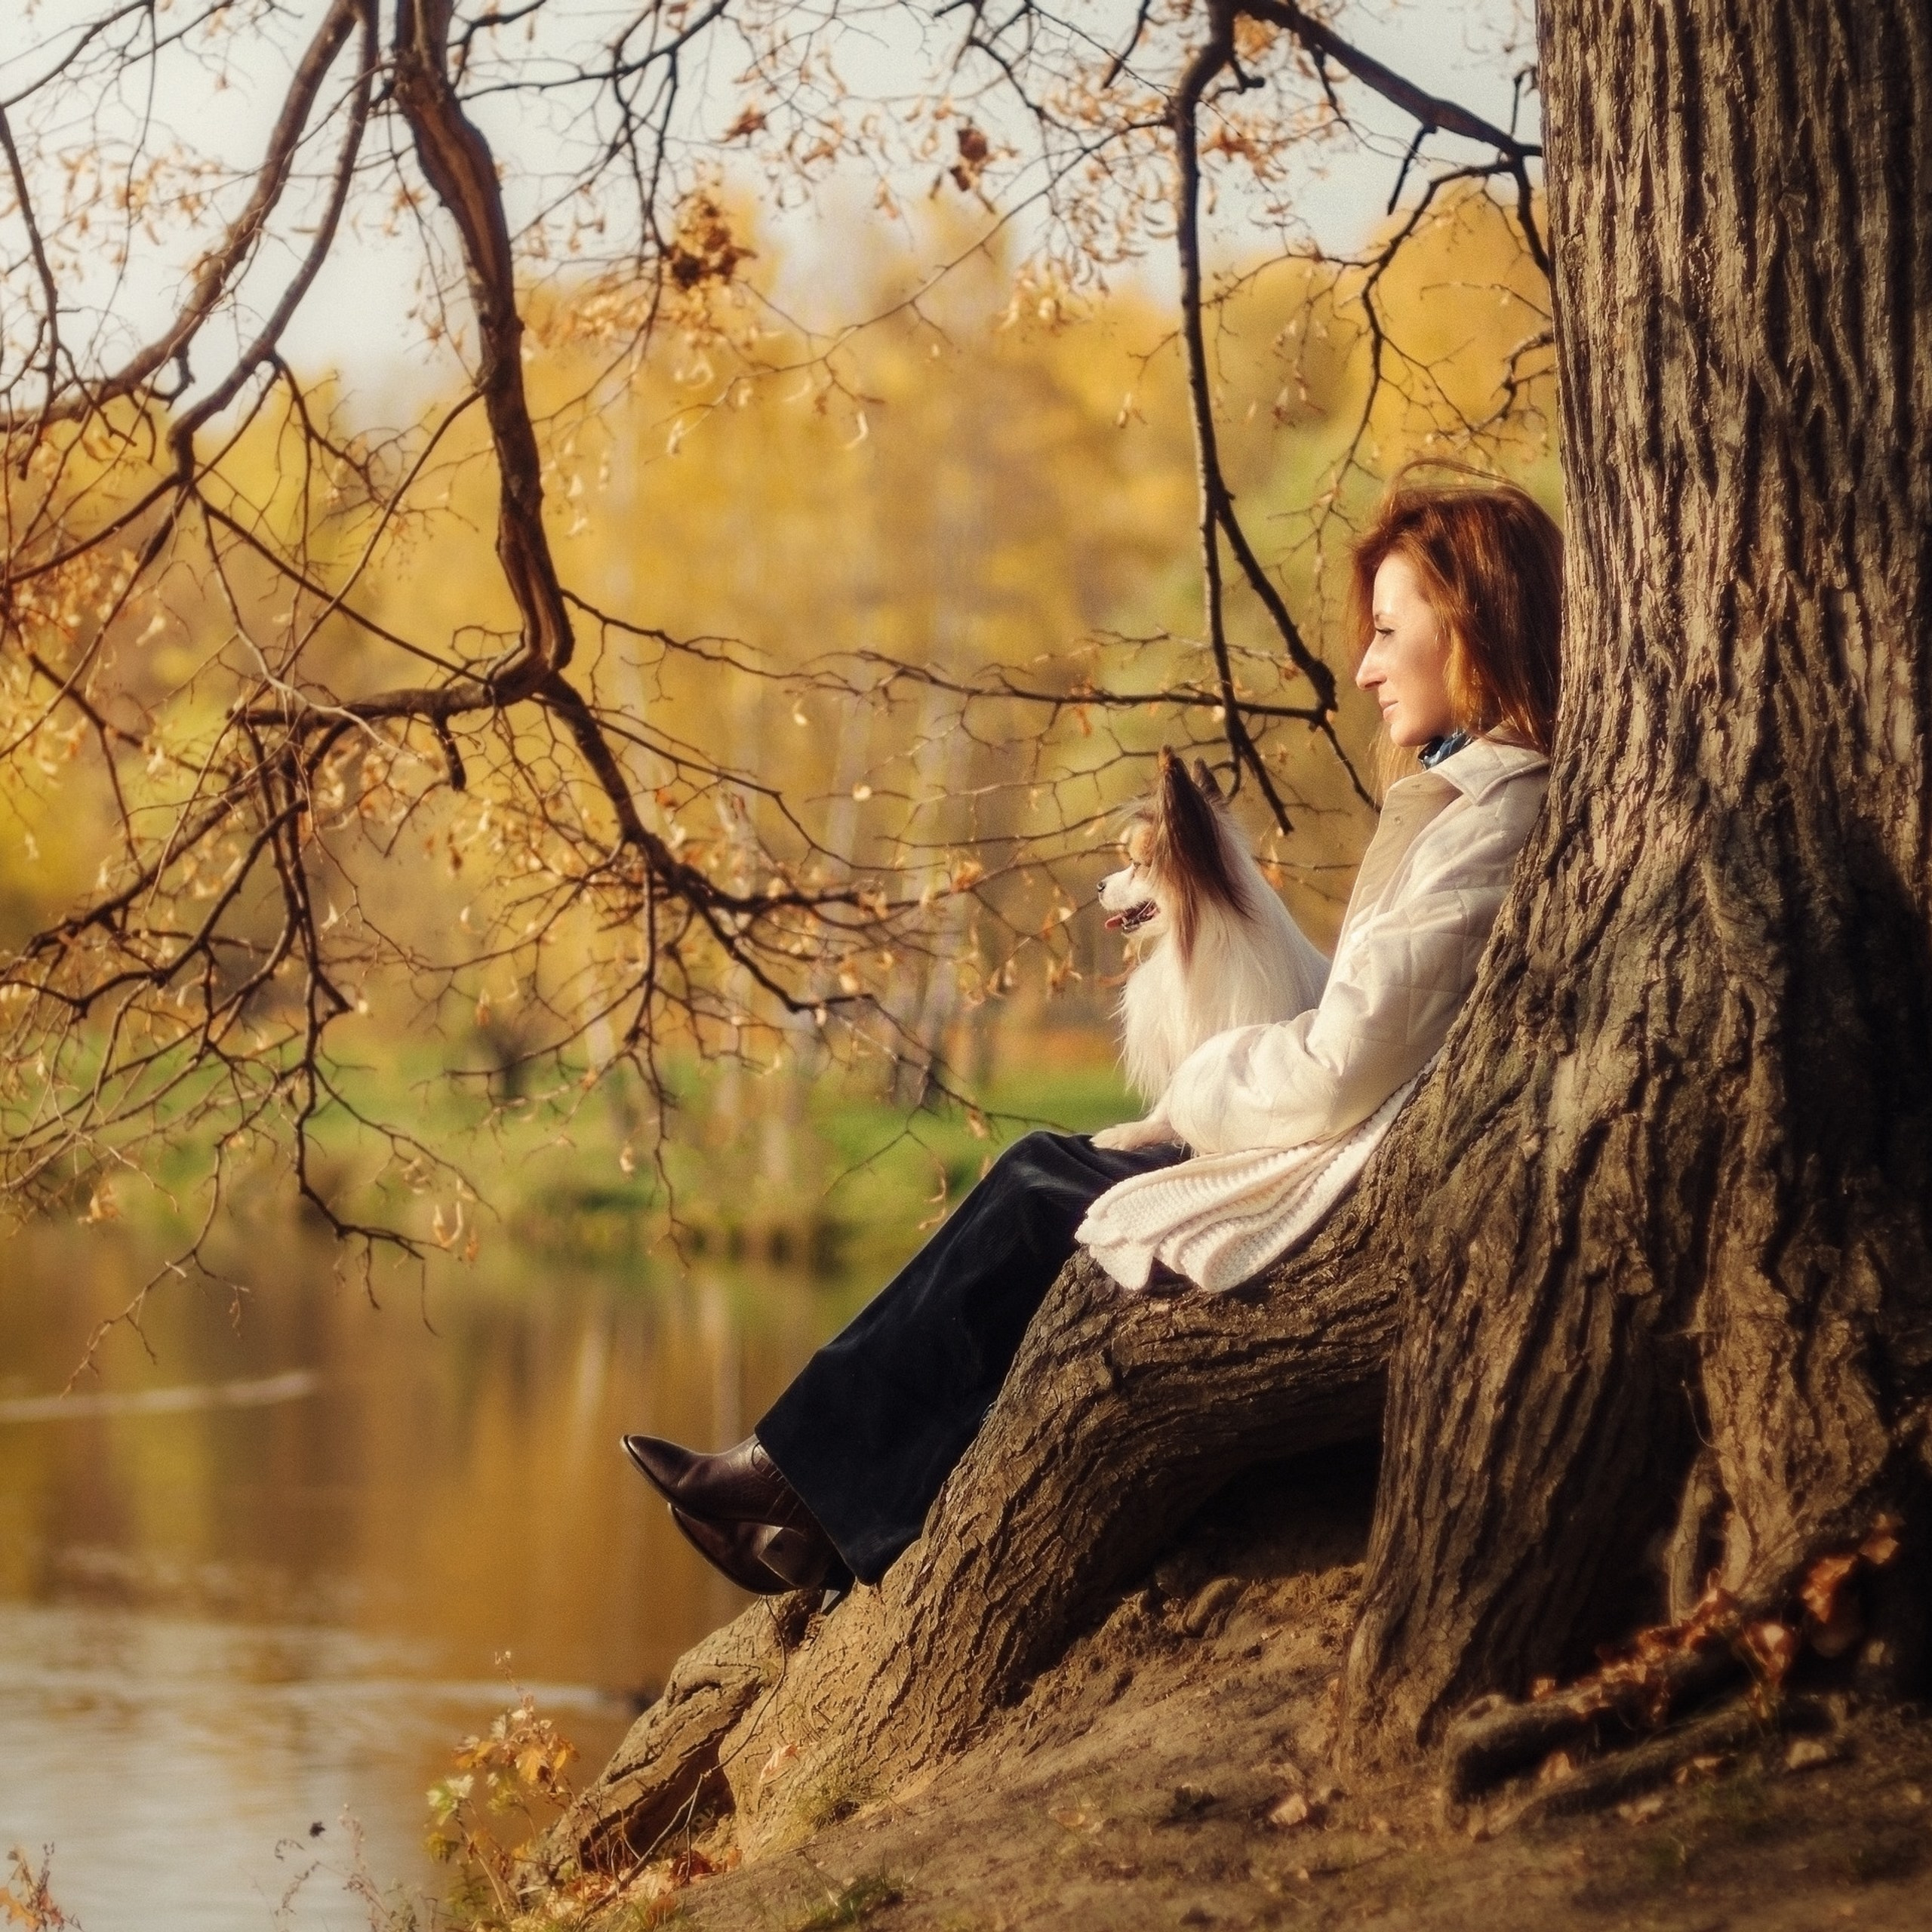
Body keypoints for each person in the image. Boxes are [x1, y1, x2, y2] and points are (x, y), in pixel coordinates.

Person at [623, 476, 1564, 1598]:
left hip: (1344, 1173)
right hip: (1339, 1150)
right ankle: (810, 1512)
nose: (1362, 668)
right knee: (1036, 1176)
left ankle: (791, 1490)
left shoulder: (1493, 817)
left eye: (1388, 634)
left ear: (1475, 627)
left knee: (1036, 1197)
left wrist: (1203, 1084)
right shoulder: (1459, 802)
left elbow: (1344, 1062)